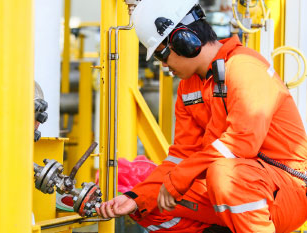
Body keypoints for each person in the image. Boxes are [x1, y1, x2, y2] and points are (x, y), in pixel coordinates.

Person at [95, 0, 307, 232]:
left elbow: (242, 143)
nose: (164, 65)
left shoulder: (245, 67)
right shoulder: (188, 88)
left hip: (287, 190)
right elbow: (181, 156)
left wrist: (179, 179)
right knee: (150, 203)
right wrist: (137, 198)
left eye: (162, 56)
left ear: (184, 41)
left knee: (224, 174)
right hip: (238, 188)